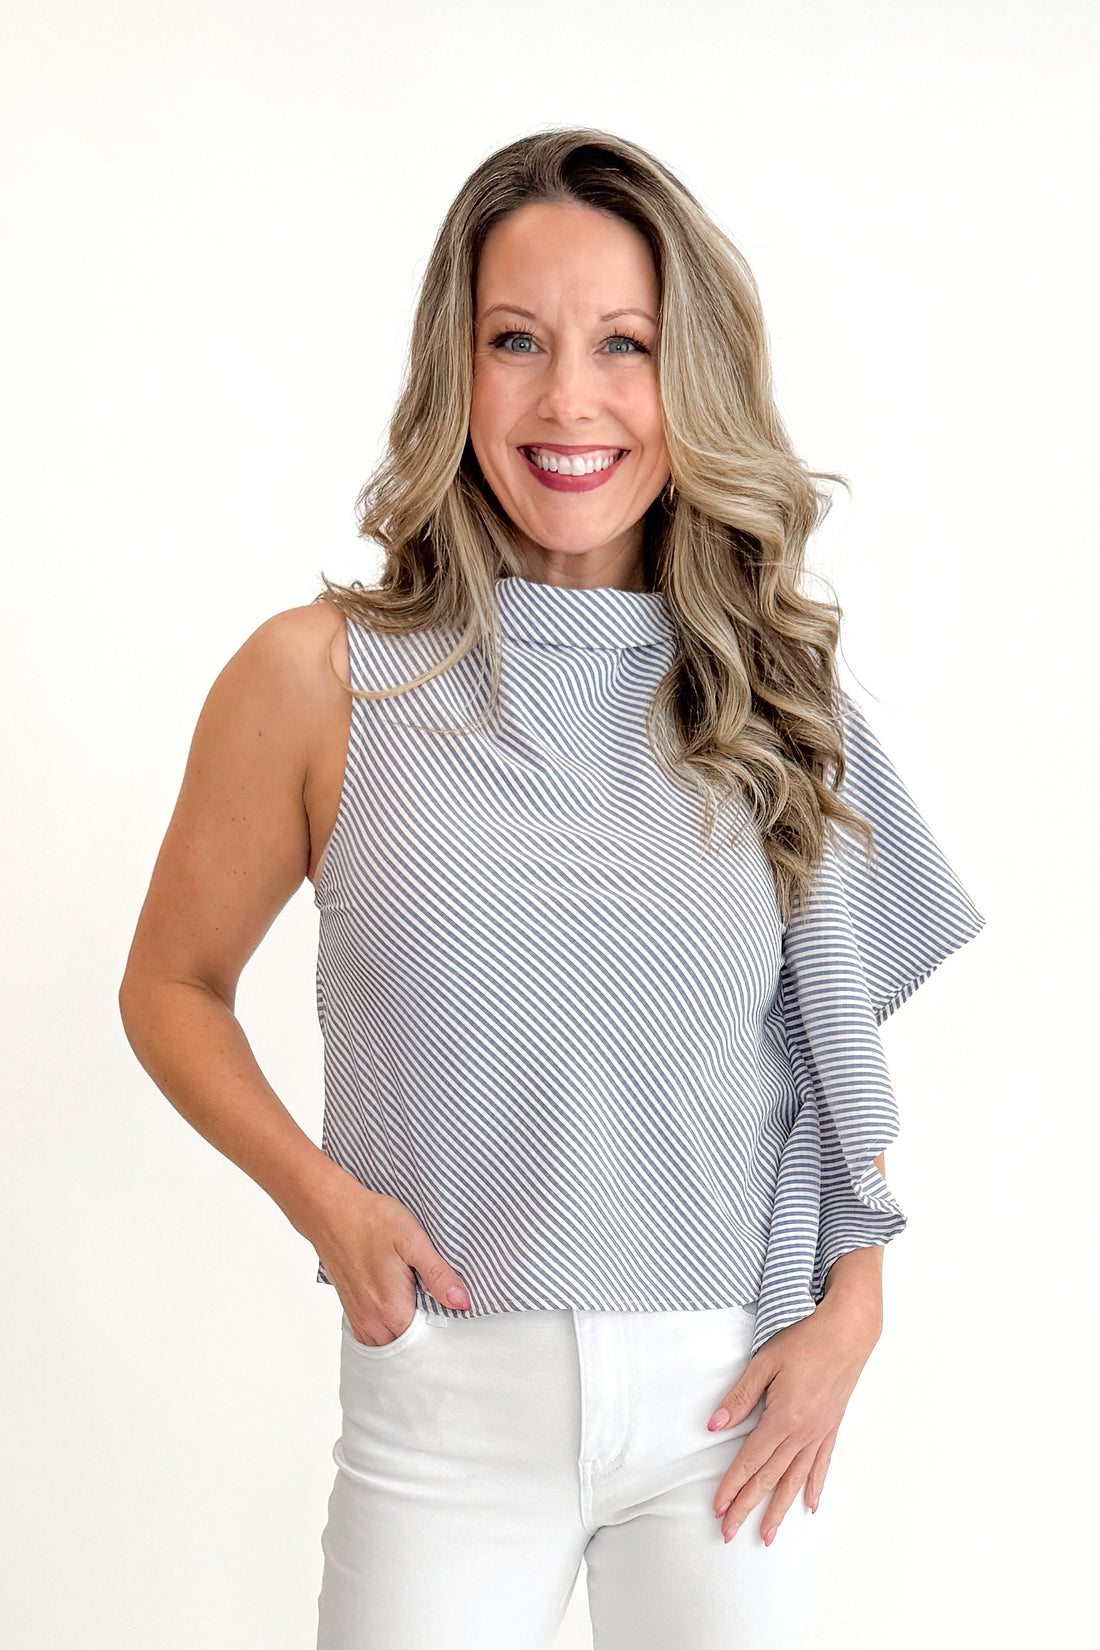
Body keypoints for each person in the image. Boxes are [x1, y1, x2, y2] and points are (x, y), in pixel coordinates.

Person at [118, 128, 985, 1650]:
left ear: (687, 379)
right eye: (515, 340)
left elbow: (825, 1068)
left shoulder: (778, 693)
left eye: (624, 347)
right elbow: (169, 985)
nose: (568, 399)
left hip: (733, 1393)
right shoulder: (320, 681)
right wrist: (323, 1199)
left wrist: (856, 1303)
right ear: (454, 372)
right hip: (446, 1388)